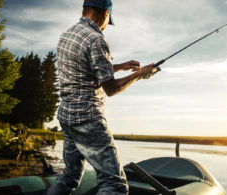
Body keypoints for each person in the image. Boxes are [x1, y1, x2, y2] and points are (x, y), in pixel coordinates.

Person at [45, 0, 159, 194]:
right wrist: (140, 74)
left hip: (67, 116)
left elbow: (85, 67)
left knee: (69, 177)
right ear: (106, 13)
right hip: (88, 119)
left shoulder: (67, 35)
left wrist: (121, 66)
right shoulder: (96, 39)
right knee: (115, 185)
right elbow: (111, 88)